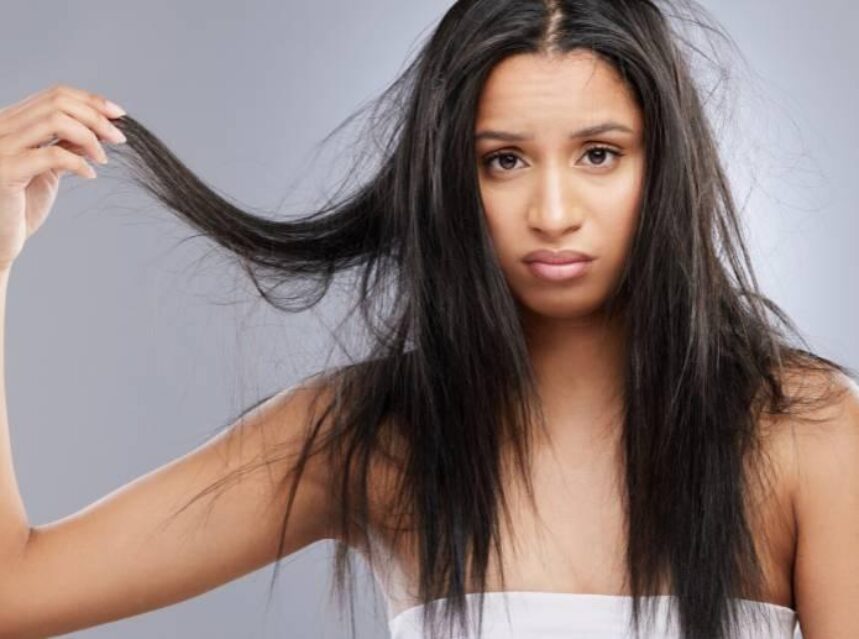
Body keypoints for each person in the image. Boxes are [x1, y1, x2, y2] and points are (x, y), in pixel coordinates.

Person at [0, 1, 856, 638]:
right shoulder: (375, 436)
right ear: (450, 177)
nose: (552, 210)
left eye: (599, 154)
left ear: (663, 167)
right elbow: (17, 589)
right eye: (504, 160)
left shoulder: (805, 433)